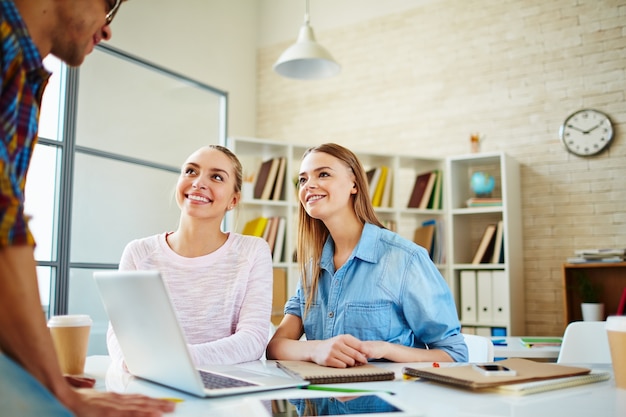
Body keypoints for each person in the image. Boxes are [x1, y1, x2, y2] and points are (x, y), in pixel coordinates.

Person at [0, 0, 176, 415]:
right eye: (110, 5)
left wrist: (40, 375)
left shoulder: (22, 68)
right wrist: (56, 391)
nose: (109, 28)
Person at [266, 143, 467, 367]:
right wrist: (316, 349)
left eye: (323, 174)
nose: (309, 185)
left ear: (354, 185)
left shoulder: (405, 259)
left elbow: (454, 354)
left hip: (390, 398)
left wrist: (386, 349)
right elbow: (276, 346)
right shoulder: (312, 266)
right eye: (303, 179)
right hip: (321, 399)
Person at [107, 145, 273, 369]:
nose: (198, 182)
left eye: (216, 176)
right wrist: (133, 364)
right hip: (153, 382)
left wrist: (177, 359)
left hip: (229, 388)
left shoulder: (253, 251)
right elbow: (120, 333)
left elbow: (253, 339)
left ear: (233, 200)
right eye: (191, 171)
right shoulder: (139, 253)